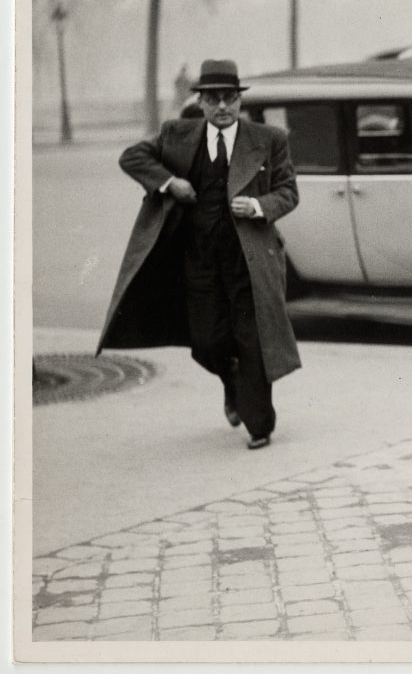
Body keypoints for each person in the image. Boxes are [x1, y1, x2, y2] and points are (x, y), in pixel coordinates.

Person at [97, 59, 300, 450]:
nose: (222, 107)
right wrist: (171, 183)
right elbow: (131, 158)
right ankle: (231, 382)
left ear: (239, 102)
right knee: (207, 342)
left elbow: (289, 192)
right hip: (199, 260)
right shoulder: (177, 135)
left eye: (229, 99)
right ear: (201, 103)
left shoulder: (269, 139)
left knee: (252, 340)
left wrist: (257, 207)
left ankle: (260, 425)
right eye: (213, 99)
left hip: (249, 262)